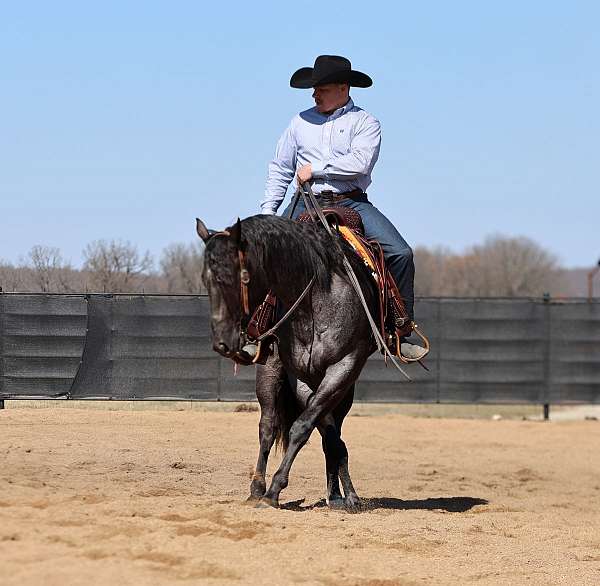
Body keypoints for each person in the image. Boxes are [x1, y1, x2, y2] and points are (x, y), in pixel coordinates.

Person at [261, 55, 426, 361]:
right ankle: (258, 330)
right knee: (266, 249)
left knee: (401, 253)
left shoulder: (366, 123)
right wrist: (270, 213)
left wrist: (316, 169)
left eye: (320, 88)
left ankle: (399, 330)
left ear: (342, 87)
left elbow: (359, 163)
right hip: (305, 201)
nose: (314, 94)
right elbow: (280, 167)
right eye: (313, 89)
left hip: (351, 201)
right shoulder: (299, 122)